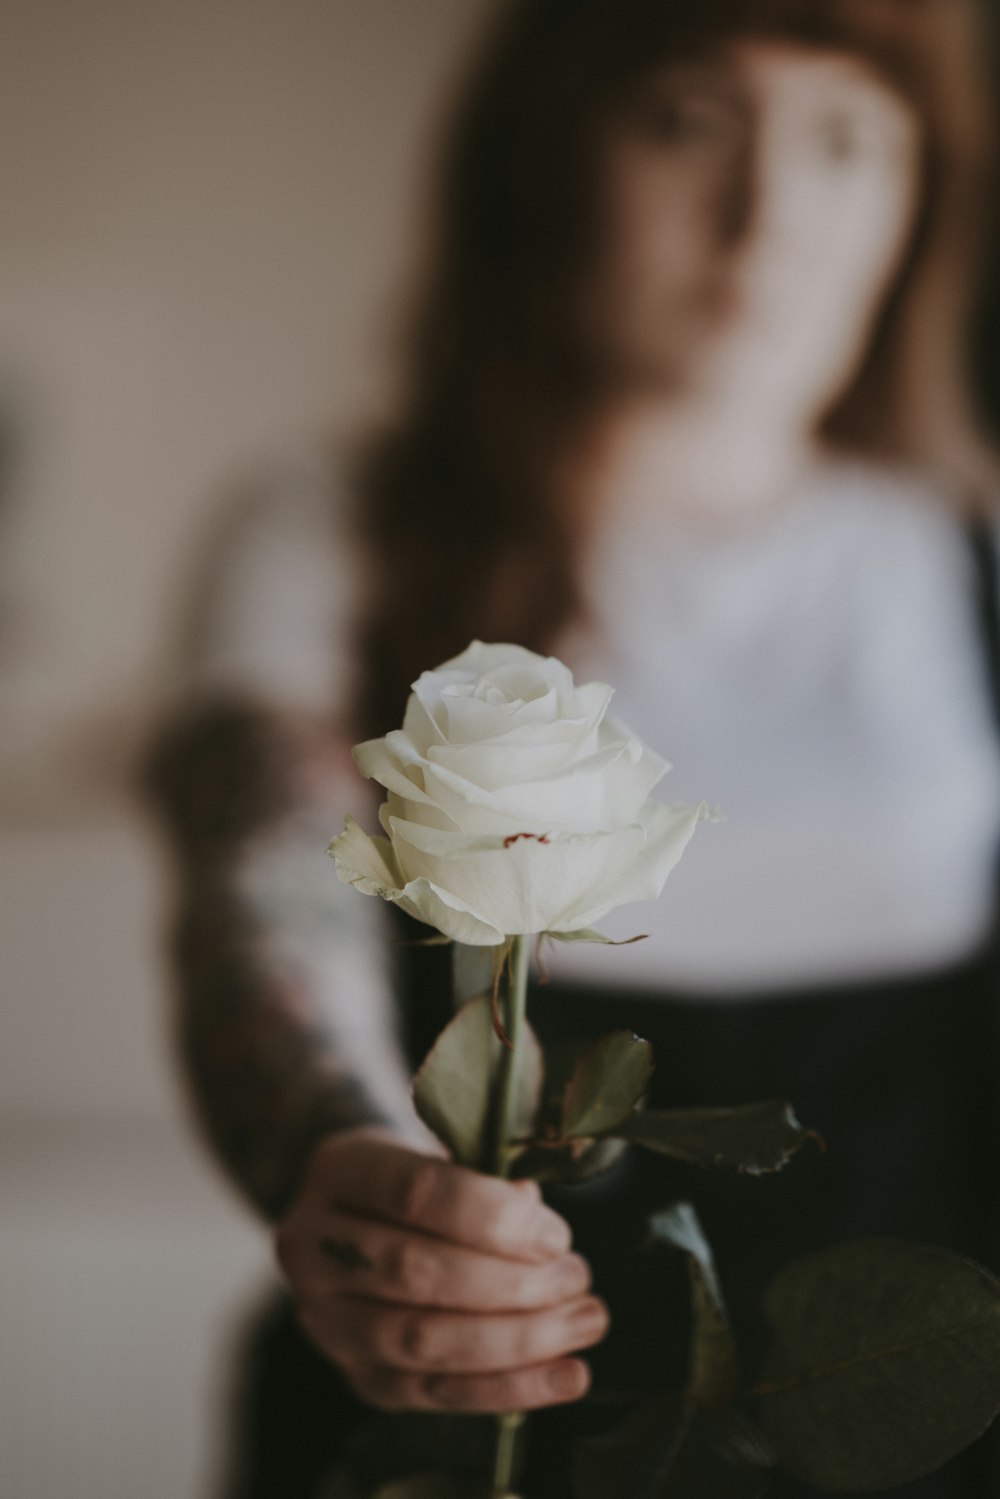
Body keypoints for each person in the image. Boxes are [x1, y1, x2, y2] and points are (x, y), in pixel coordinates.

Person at [145, 1, 1000, 1495]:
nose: (770, 214)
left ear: (919, 200)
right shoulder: (336, 532)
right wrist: (357, 1173)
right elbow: (259, 898)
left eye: (849, 140)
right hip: (443, 1433)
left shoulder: (965, 559)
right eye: (688, 119)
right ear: (545, 160)